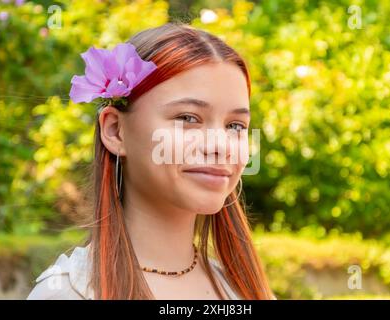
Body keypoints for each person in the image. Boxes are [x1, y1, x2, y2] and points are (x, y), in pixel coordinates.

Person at [27, 22, 275, 300]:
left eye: (236, 126)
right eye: (187, 118)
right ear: (115, 131)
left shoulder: (241, 290)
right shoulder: (70, 293)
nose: (220, 146)